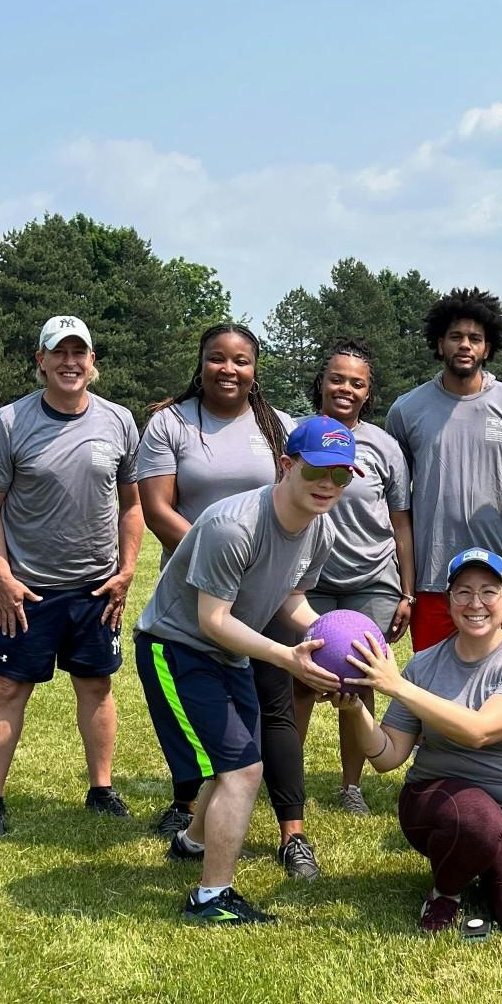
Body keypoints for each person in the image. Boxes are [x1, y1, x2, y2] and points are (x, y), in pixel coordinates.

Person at [133, 416, 351, 924]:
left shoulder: (320, 530)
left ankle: (191, 843)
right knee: (242, 769)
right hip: (178, 646)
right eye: (317, 470)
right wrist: (285, 656)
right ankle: (212, 898)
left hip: (229, 651)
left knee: (241, 759)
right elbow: (212, 620)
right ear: (286, 465)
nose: (327, 485)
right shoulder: (233, 525)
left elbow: (292, 598)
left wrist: (332, 639)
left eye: (341, 476)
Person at [135, 322, 321, 877]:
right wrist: (222, 553)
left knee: (258, 734)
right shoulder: (171, 422)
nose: (229, 369)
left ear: (255, 368)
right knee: (233, 758)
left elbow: (293, 592)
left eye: (241, 360)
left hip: (251, 610)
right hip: (194, 612)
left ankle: (248, 836)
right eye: (217, 358)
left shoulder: (282, 437)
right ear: (201, 363)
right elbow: (157, 509)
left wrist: (329, 634)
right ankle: (209, 879)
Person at [341, 548, 502, 939]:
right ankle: (446, 890)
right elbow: (387, 755)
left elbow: (481, 731)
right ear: (448, 602)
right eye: (463, 592)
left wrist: (398, 686)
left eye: (488, 592)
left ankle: (484, 859)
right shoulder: (423, 664)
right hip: (439, 801)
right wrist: (354, 710)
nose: (475, 603)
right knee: (477, 820)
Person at [0, 314, 143, 837]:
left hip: (96, 587)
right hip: (27, 589)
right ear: (40, 361)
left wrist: (127, 570)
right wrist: (1, 575)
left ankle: (102, 789)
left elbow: (132, 505)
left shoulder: (118, 421)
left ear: (93, 363)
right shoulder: (9, 421)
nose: (70, 362)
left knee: (96, 685)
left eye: (79, 353)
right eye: (59, 353)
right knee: (8, 689)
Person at [290, 337, 415, 814]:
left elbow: (401, 520)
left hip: (372, 579)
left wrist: (406, 589)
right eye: (336, 378)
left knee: (358, 682)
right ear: (321, 382)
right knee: (301, 677)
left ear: (368, 391)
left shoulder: (385, 446)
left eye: (356, 383)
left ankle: (350, 786)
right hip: (310, 580)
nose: (345, 388)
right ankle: (290, 782)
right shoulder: (298, 436)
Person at [385, 289, 502, 652]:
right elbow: (394, 501)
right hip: (432, 577)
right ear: (439, 344)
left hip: (499, 575)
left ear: (487, 347)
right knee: (434, 688)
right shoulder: (407, 410)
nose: (465, 345)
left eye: (475, 338)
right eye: (456, 337)